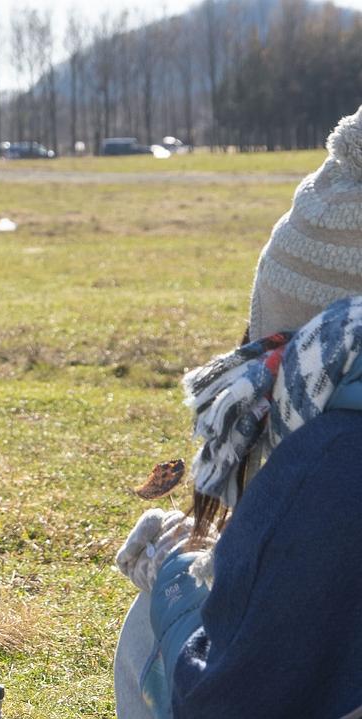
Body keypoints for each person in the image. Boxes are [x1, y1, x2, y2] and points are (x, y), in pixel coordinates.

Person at [114, 105, 362, 719]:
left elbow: (226, 704)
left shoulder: (323, 464)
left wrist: (172, 580)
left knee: (145, 630)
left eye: (265, 344)